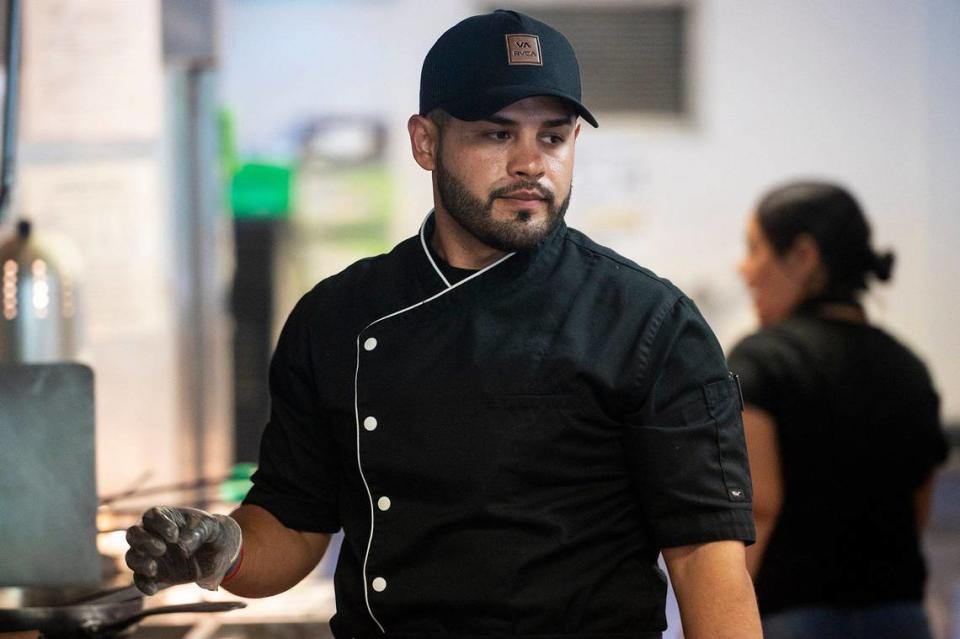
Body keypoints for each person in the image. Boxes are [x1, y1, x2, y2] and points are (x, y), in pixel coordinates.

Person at [126, 10, 761, 638]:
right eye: (496, 134)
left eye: (553, 136)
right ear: (426, 141)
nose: (530, 164)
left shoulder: (648, 323)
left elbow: (704, 554)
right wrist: (226, 548)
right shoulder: (336, 316)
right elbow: (294, 523)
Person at [728, 180, 949, 639]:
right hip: (902, 616)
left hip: (793, 617)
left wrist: (722, 617)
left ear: (803, 256)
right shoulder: (909, 368)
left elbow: (760, 504)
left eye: (756, 249)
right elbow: (918, 506)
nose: (745, 270)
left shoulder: (762, 360)